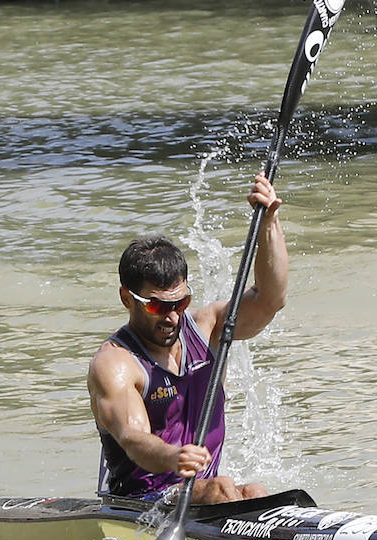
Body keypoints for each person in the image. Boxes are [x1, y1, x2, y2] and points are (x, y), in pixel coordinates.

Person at [89, 172, 287, 504]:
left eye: (180, 303)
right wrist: (172, 457)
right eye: (156, 305)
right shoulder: (116, 364)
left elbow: (271, 299)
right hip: (141, 501)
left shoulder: (209, 329)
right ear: (126, 298)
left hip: (202, 496)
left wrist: (270, 221)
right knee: (223, 488)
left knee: (255, 491)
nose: (172, 317)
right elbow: (133, 438)